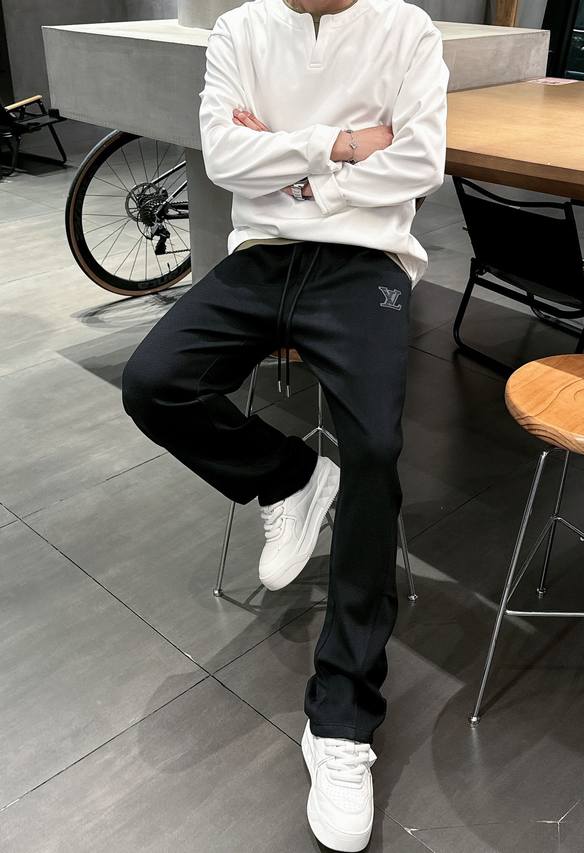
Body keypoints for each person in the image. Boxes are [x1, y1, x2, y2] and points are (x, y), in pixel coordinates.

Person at [121, 0, 448, 847]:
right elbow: (228, 159)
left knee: (374, 447)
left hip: (367, 263)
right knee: (154, 383)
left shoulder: (406, 30)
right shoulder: (241, 29)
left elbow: (419, 162)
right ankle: (292, 476)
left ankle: (342, 718)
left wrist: (293, 165)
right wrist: (341, 145)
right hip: (263, 254)